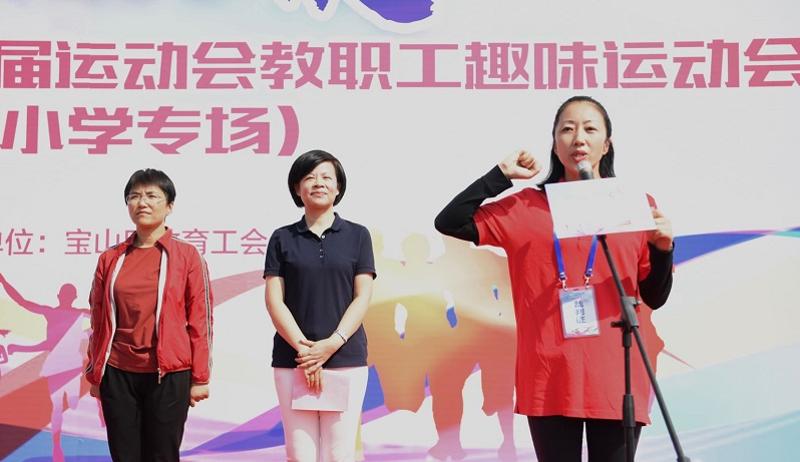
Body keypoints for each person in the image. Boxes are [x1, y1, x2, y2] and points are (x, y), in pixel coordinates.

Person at [434, 96, 674, 462]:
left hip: (616, 374)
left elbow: (655, 295)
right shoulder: (526, 206)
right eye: (568, 129)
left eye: (590, 129)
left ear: (606, 144)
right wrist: (499, 176)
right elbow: (449, 221)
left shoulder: (632, 204)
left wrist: (663, 249)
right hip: (549, 373)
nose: (579, 138)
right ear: (555, 144)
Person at [84, 169, 213, 462]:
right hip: (117, 372)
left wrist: (200, 377)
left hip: (168, 374)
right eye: (134, 196)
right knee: (124, 455)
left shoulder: (187, 256)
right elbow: (98, 317)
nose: (142, 202)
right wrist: (95, 372)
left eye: (152, 196)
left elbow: (200, 320)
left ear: (169, 206)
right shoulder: (111, 258)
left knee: (162, 455)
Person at [264, 149, 376, 462]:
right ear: (297, 188)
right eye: (309, 177)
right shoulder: (282, 238)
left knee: (339, 453)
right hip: (293, 360)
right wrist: (307, 353)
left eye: (327, 177)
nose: (318, 183)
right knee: (299, 453)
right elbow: (274, 300)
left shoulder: (358, 235)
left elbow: (362, 296)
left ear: (338, 187)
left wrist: (331, 344)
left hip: (345, 358)